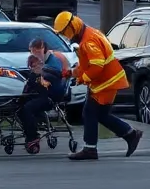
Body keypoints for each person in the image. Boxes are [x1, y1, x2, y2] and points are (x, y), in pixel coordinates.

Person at [52, 11, 142, 161]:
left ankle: (91, 149)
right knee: (100, 114)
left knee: (90, 112)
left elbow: (96, 66)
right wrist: (72, 73)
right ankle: (130, 134)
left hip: (105, 83)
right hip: (106, 82)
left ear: (71, 27)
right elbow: (87, 64)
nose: (65, 36)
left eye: (64, 33)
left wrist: (83, 78)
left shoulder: (88, 41)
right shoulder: (89, 34)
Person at [17, 38, 69, 151]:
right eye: (32, 51)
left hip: (51, 96)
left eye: (36, 51)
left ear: (43, 49)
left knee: (28, 108)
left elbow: (49, 78)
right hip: (41, 93)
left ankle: (33, 137)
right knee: (18, 106)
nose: (33, 53)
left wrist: (36, 75)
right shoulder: (42, 62)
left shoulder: (53, 62)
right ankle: (33, 125)